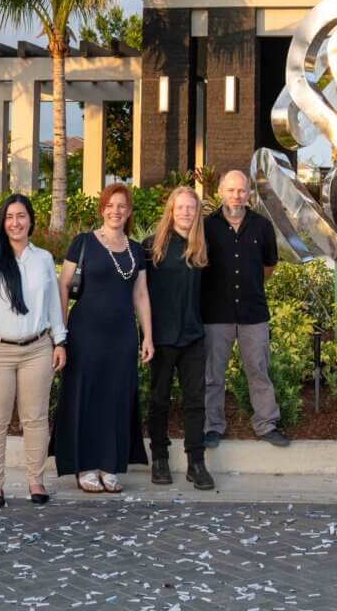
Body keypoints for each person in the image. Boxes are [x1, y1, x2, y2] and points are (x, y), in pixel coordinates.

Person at [53, 182, 153, 493]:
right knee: (85, 396)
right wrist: (61, 334)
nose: (116, 211)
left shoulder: (137, 250)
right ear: (102, 209)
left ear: (129, 212)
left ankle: (110, 465)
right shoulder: (83, 242)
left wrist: (147, 336)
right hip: (84, 334)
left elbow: (140, 294)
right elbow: (63, 286)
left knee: (116, 398)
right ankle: (85, 465)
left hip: (122, 336)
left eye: (122, 206)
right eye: (110, 205)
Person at [0, 194, 67, 508]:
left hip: (37, 349)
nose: (16, 222)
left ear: (31, 220)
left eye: (21, 216)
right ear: (3, 221)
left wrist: (59, 340)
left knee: (36, 419)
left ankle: (35, 481)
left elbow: (53, 304)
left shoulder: (43, 259)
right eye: (10, 216)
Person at [201, 170, 288, 448]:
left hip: (253, 313)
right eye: (231, 190)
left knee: (259, 370)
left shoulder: (262, 226)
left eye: (241, 191)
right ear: (220, 193)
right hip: (215, 313)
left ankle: (266, 423)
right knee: (213, 374)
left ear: (248, 193)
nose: (236, 196)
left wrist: (249, 283)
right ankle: (212, 426)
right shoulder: (206, 226)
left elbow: (269, 265)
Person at [143, 186, 215, 489]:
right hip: (160, 337)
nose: (186, 212)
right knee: (159, 399)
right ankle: (158, 458)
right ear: (171, 210)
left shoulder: (202, 247)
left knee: (195, 401)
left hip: (193, 337)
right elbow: (139, 294)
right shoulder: (152, 247)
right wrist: (144, 335)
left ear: (197, 212)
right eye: (181, 207)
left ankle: (196, 463)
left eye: (191, 208)